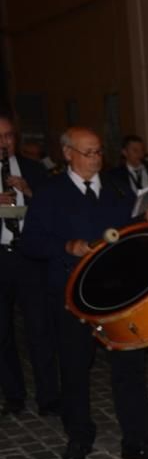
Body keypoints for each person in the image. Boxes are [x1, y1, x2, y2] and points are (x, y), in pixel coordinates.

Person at [19, 127, 148, 459]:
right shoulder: (50, 192)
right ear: (67, 153)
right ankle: (79, 435)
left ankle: (137, 439)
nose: (95, 159)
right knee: (74, 366)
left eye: (99, 151)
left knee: (129, 366)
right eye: (88, 152)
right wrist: (65, 247)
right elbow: (31, 243)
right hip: (72, 293)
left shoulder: (118, 188)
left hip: (117, 295)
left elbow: (136, 236)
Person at [0, 112, 59, 417]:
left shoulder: (34, 170)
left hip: (28, 258)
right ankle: (13, 394)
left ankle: (48, 396)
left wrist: (30, 194)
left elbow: (53, 213)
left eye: (9, 136)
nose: (4, 143)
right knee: (2, 333)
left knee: (40, 328)